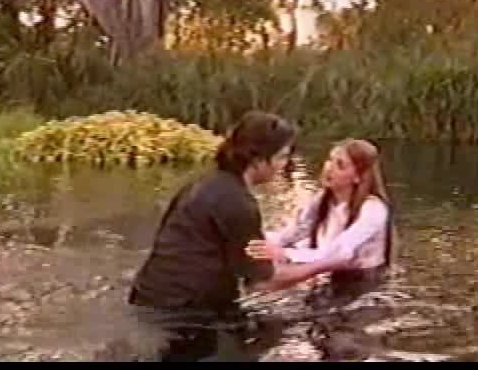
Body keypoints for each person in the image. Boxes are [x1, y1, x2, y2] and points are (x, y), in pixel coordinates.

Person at [127, 111, 350, 362]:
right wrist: (327, 263)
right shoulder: (239, 203)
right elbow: (262, 282)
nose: (284, 165)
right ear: (257, 159)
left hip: (148, 297)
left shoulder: (201, 185)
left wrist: (283, 253)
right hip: (187, 315)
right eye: (281, 157)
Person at [245, 139, 399, 298]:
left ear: (358, 178)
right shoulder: (322, 200)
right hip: (331, 277)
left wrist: (284, 253)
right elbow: (293, 232)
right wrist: (256, 243)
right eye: (330, 160)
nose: (328, 168)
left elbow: (339, 252)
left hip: (367, 285)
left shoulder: (373, 209)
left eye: (340, 165)